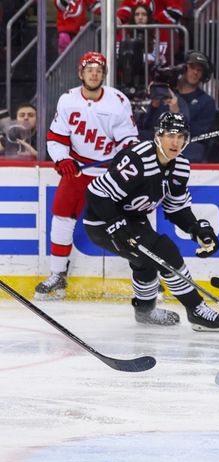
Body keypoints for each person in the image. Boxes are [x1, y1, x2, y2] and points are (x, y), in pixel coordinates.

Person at [82, 112, 219, 331]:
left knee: (145, 260)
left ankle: (145, 311)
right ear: (158, 137)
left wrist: (196, 229)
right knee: (164, 251)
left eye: (181, 136)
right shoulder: (137, 160)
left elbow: (176, 208)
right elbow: (95, 193)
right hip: (102, 223)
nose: (176, 142)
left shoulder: (180, 167)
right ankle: (196, 309)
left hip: (134, 219)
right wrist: (115, 224)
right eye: (171, 135)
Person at [36, 52, 139, 300]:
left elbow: (130, 139)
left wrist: (124, 152)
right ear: (81, 73)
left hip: (109, 174)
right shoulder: (68, 100)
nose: (94, 73)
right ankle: (58, 275)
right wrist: (63, 159)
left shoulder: (117, 101)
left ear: (104, 74)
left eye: (99, 69)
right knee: (61, 217)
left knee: (128, 224)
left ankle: (144, 277)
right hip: (79, 171)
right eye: (89, 69)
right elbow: (56, 138)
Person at [139, 50, 216, 163]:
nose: (195, 72)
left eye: (199, 70)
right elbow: (147, 126)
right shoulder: (166, 94)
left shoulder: (206, 102)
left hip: (186, 149)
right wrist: (154, 106)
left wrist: (177, 114)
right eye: (192, 67)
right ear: (184, 68)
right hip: (158, 145)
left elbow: (196, 135)